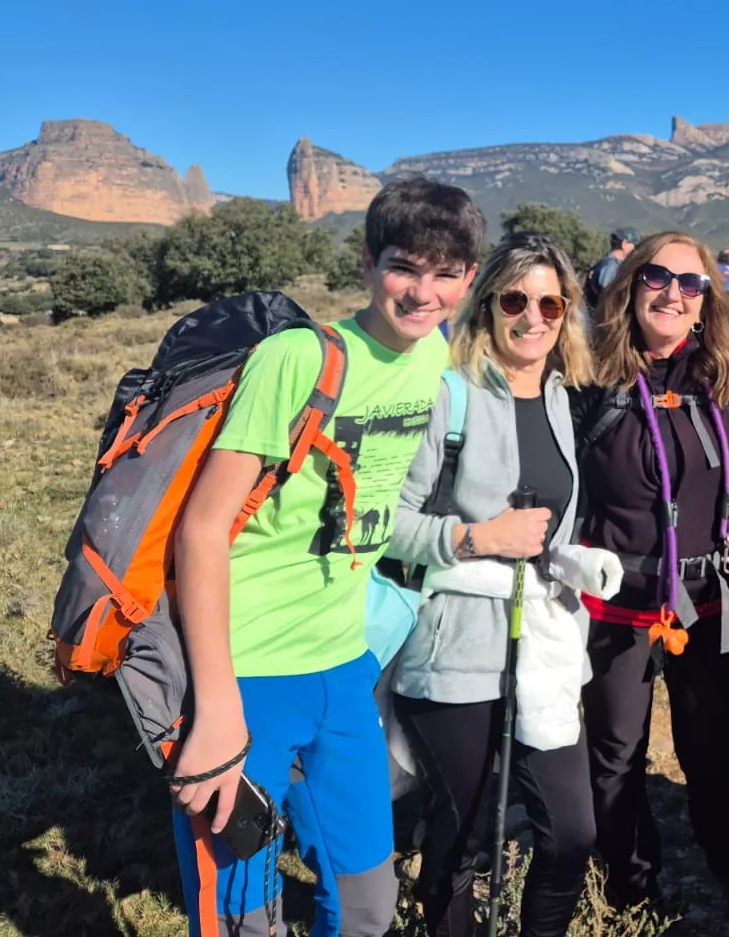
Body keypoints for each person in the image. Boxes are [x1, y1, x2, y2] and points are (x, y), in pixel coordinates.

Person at [169, 179, 483, 937]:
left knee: (369, 906)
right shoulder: (298, 359)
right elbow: (202, 530)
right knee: (241, 919)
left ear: (468, 279)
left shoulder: (431, 354)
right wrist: (216, 710)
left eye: (446, 273)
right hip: (248, 673)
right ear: (369, 262)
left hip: (344, 669)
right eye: (406, 267)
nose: (423, 291)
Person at [388, 231, 600, 937]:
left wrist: (573, 561)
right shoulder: (448, 396)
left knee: (571, 831)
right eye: (516, 298)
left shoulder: (565, 399)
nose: (533, 316)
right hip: (455, 653)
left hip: (540, 645)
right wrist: (477, 538)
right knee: (464, 837)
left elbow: (552, 528)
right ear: (488, 305)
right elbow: (387, 523)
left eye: (550, 301)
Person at [572, 232, 729, 916]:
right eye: (658, 277)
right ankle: (630, 889)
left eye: (691, 283)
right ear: (630, 285)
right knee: (616, 755)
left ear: (708, 299)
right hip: (616, 607)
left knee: (710, 743)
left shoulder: (726, 376)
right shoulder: (585, 380)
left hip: (711, 601)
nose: (673, 294)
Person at [586, 229, 639, 311]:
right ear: (624, 244)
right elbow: (608, 294)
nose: (635, 250)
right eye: (634, 245)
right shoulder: (611, 265)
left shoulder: (608, 263)